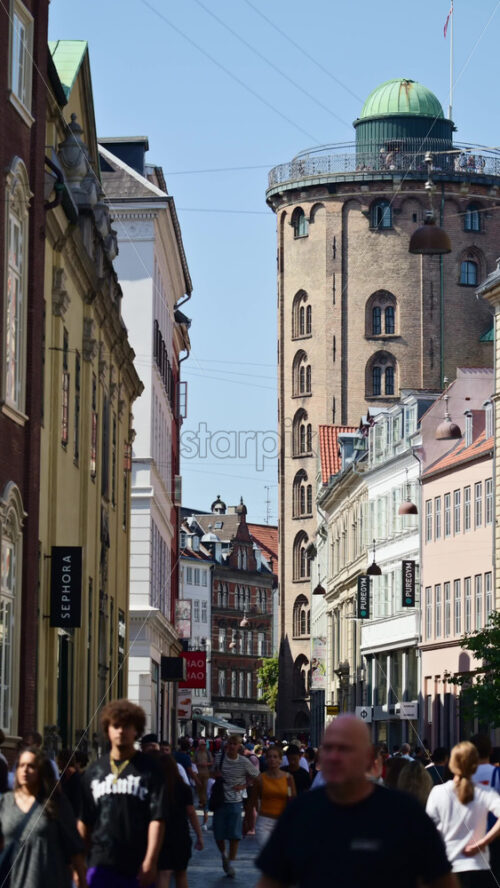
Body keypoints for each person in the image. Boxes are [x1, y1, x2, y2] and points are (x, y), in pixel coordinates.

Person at [255, 715, 457, 888]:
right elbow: (271, 881)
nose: (334, 756)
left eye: (345, 749)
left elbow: (442, 881)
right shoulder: (301, 813)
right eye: (328, 748)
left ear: (369, 758)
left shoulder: (404, 813)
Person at [78, 699, 166, 888]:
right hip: (101, 863)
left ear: (137, 730)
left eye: (127, 726)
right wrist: (79, 864)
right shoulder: (94, 772)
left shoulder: (150, 769)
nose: (121, 731)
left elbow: (157, 819)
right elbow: (84, 821)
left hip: (137, 863)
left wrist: (151, 860)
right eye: (115, 726)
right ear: (107, 729)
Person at [0, 746, 86, 888]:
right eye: (21, 765)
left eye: (31, 766)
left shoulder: (56, 802)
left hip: (49, 880)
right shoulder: (6, 802)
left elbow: (74, 848)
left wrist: (82, 880)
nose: (25, 770)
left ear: (42, 771)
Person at [427, 741, 500, 887]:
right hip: (479, 865)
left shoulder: (438, 792)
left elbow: (427, 829)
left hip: (449, 864)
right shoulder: (485, 792)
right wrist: (483, 841)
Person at [212, 733, 259, 878]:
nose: (231, 746)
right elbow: (212, 772)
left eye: (234, 744)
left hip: (235, 802)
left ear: (239, 746)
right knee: (218, 834)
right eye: (229, 744)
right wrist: (215, 775)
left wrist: (245, 785)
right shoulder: (219, 758)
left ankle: (230, 863)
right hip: (220, 800)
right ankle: (223, 855)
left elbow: (257, 776)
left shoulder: (244, 762)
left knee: (234, 835)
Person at [156, 752, 203, 888]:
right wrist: (199, 836)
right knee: (181, 874)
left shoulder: (155, 788)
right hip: (180, 834)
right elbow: (191, 813)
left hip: (161, 834)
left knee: (163, 873)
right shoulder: (183, 788)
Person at [250, 746, 295, 847]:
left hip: (282, 822)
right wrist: (248, 820)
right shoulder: (260, 779)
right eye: (269, 757)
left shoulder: (288, 778)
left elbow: (294, 801)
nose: (272, 759)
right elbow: (252, 801)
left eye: (275, 757)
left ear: (280, 760)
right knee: (268, 853)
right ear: (266, 759)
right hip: (264, 823)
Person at [57, 747, 83, 817]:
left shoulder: (69, 775)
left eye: (59, 759)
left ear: (63, 760)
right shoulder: (66, 774)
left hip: (71, 813)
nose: (57, 762)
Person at [193, 738, 213, 813]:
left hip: (206, 772)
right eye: (202, 745)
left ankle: (204, 802)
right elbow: (193, 762)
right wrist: (198, 764)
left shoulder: (208, 752)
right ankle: (201, 801)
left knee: (205, 787)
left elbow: (212, 762)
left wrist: (207, 764)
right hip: (198, 773)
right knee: (199, 788)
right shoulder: (196, 753)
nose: (203, 746)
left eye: (204, 745)